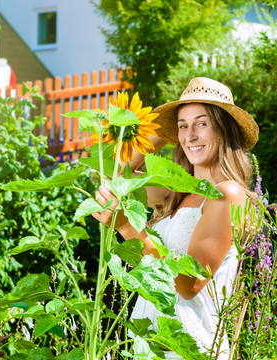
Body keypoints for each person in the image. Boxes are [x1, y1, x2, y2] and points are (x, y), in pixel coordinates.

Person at [92, 77, 259, 359]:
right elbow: (116, 174)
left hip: (191, 350)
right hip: (148, 348)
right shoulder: (177, 193)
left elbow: (188, 284)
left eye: (202, 123)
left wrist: (126, 226)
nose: (190, 135)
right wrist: (167, 129)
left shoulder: (226, 195)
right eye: (183, 126)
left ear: (225, 130)